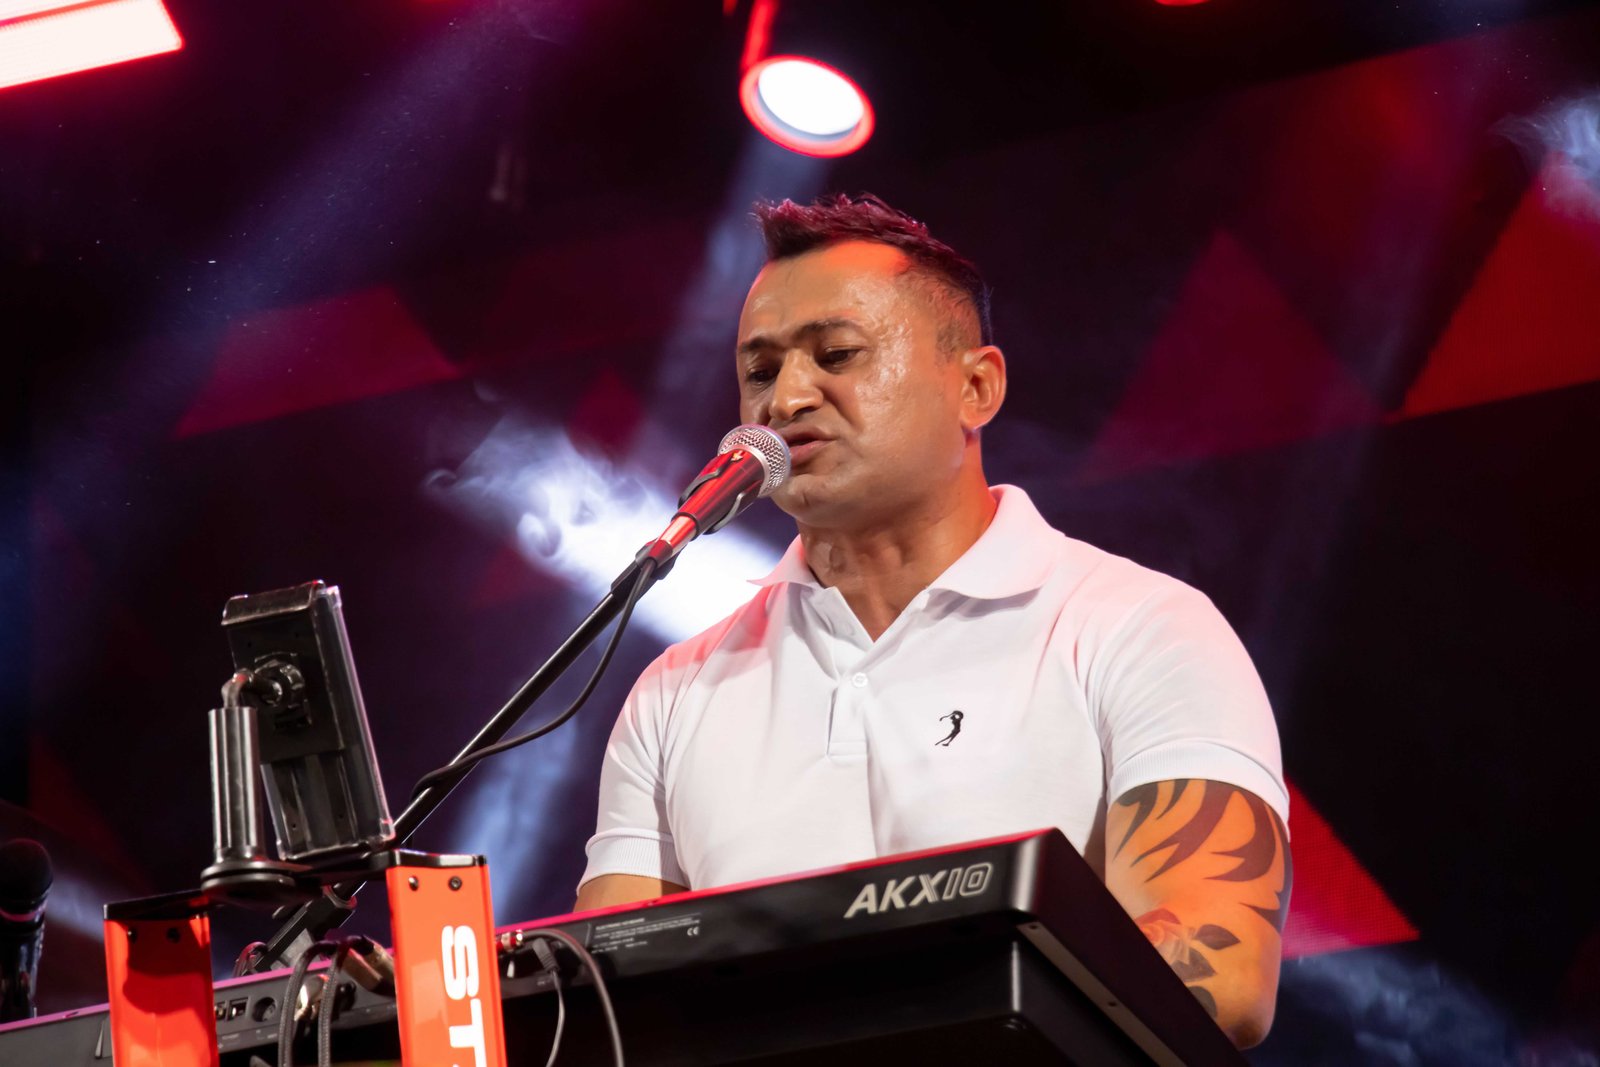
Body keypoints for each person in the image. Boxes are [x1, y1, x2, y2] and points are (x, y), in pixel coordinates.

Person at [575, 194, 1291, 1048]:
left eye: (836, 354)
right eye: (760, 371)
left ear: (976, 387)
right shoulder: (675, 691)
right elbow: (601, 1007)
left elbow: (1221, 973)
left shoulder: (1140, 628)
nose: (786, 397)